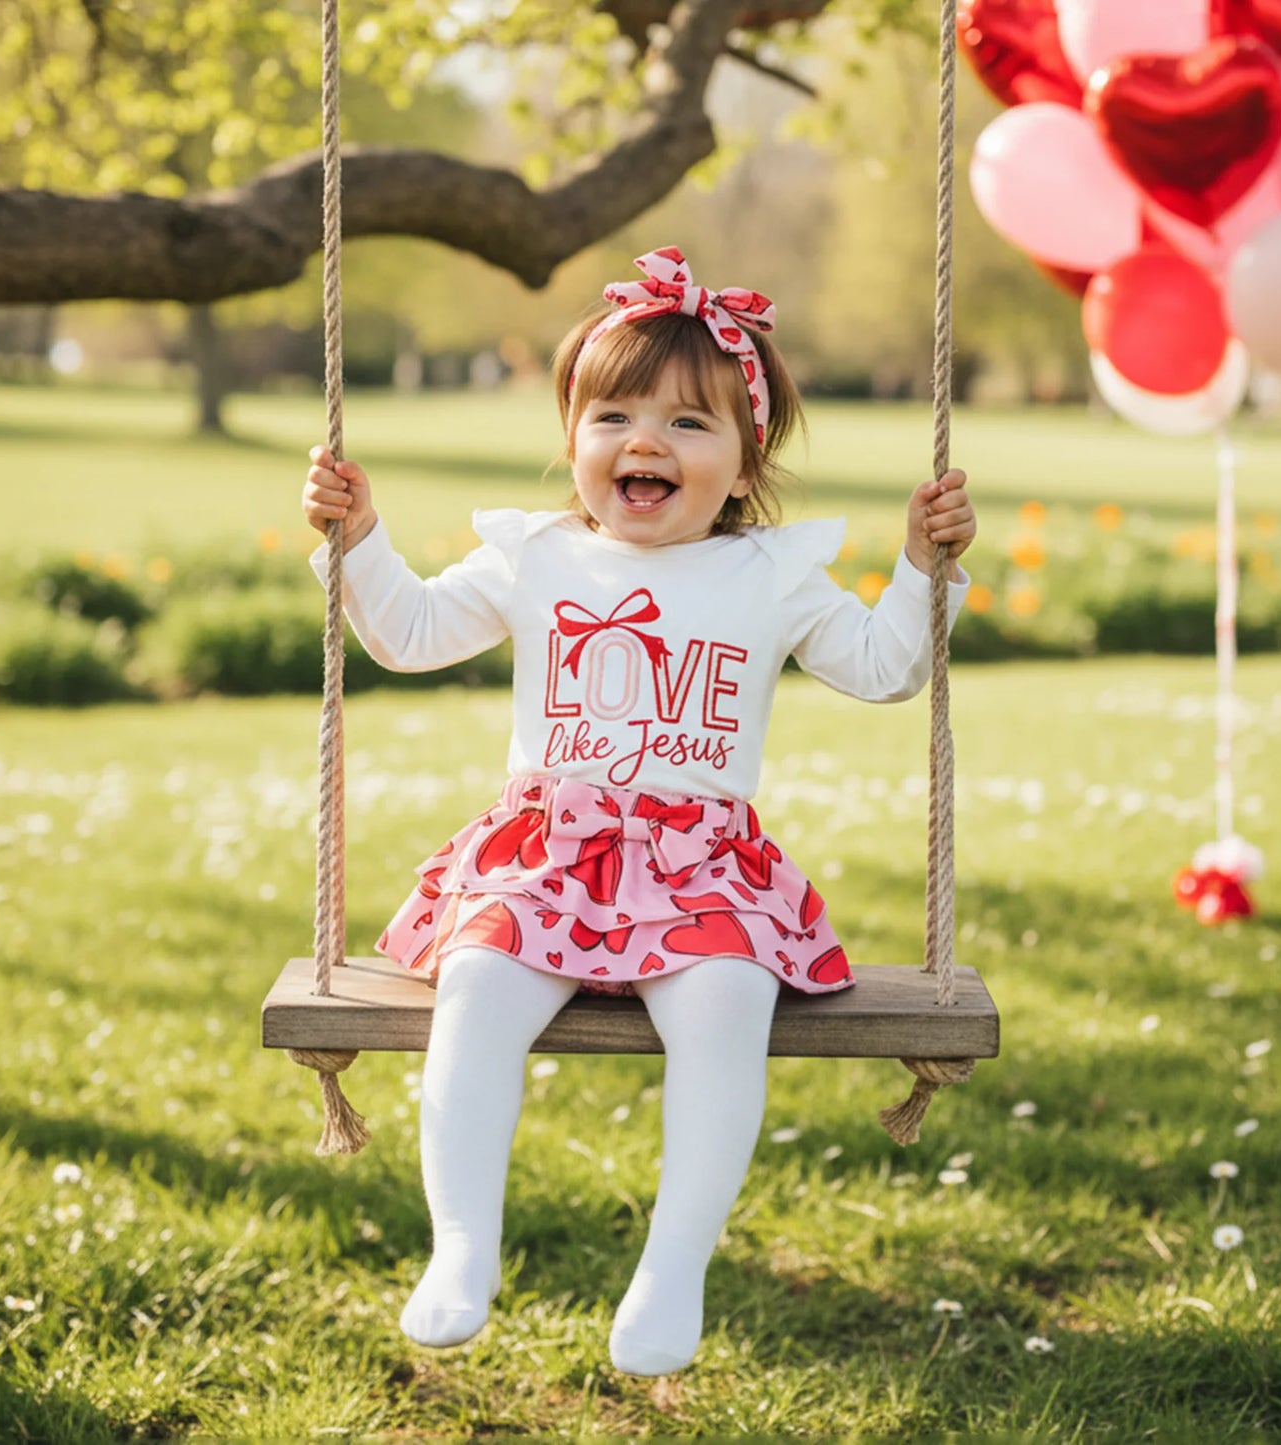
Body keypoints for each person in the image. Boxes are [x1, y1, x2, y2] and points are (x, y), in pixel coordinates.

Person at [301, 246, 977, 1377]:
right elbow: (408, 634)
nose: (644, 441)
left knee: (723, 1001)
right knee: (475, 984)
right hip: (544, 854)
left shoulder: (768, 573)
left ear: (745, 458)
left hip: (700, 862)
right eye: (610, 412)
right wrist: (358, 537)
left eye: (687, 423)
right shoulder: (537, 555)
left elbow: (881, 666)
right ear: (572, 436)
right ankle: (461, 1242)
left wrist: (920, 567)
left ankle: (674, 1263)